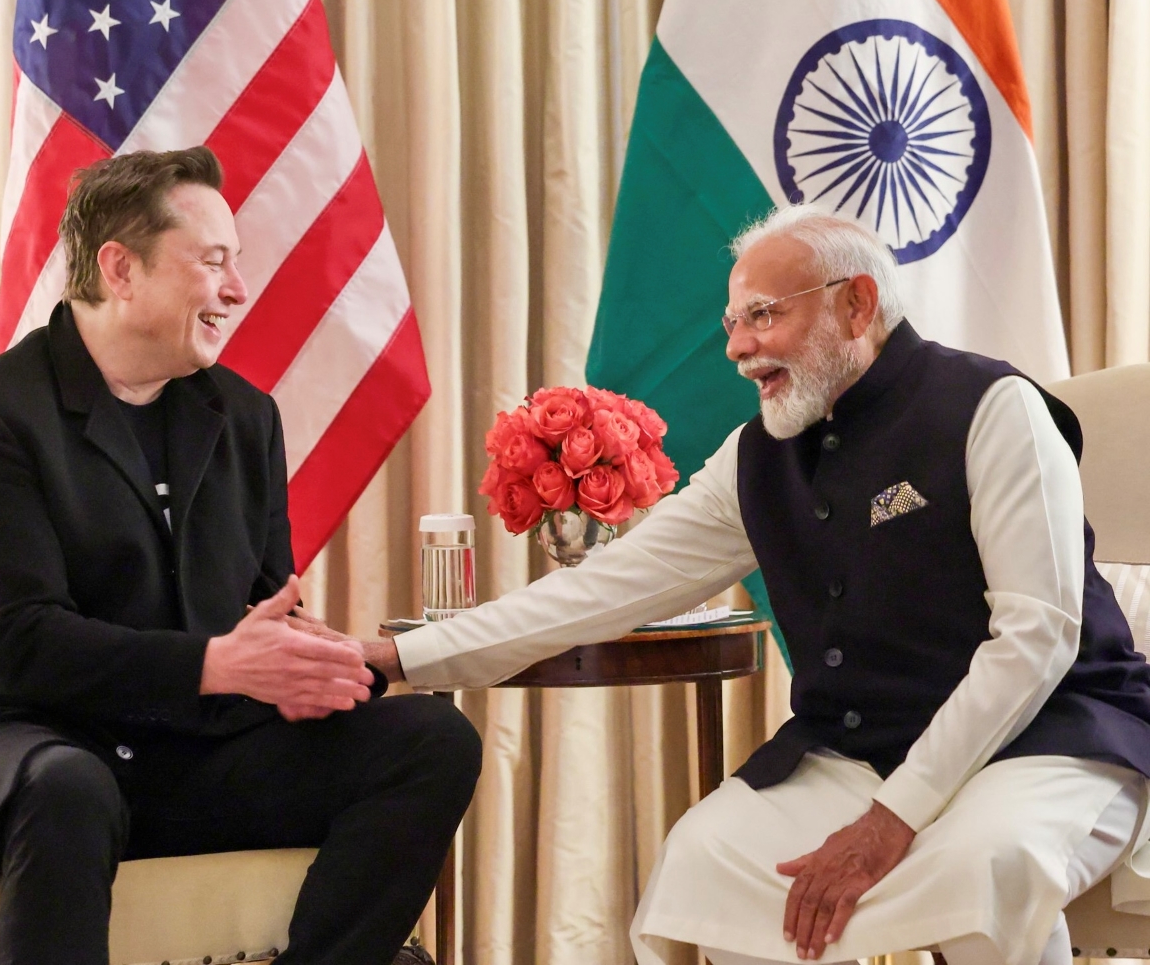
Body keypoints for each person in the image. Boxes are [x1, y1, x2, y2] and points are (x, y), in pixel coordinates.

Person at [359, 204, 1150, 965]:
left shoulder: (993, 408)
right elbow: (601, 588)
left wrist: (894, 815)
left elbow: (1036, 637)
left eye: (763, 315)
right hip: (864, 750)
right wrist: (403, 656)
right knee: (708, 860)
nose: (737, 348)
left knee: (984, 862)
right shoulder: (755, 457)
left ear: (856, 304)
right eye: (732, 322)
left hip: (1049, 735)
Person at [0, 146, 481, 965]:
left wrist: (301, 666)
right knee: (70, 785)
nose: (238, 289)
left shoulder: (244, 417)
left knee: (432, 738)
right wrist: (219, 664)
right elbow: (18, 642)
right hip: (14, 739)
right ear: (120, 269)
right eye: (213, 261)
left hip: (184, 748)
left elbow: (262, 606)